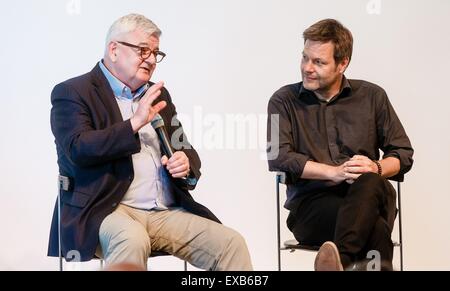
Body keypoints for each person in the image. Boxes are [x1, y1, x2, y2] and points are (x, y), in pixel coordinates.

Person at [48, 13, 252, 271]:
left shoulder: (158, 94)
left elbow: (183, 145)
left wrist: (184, 163)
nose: (152, 60)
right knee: (131, 239)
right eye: (144, 51)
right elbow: (78, 148)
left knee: (231, 244)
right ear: (114, 50)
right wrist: (134, 123)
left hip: (164, 211)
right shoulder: (73, 92)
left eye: (156, 53)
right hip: (107, 211)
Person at [267, 19, 413, 271]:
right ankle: (343, 260)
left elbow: (403, 153)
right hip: (314, 209)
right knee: (376, 228)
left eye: (319, 62)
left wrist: (375, 168)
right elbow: (277, 156)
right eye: (305, 58)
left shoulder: (373, 96)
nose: (307, 68)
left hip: (374, 195)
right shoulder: (282, 101)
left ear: (342, 63)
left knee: (369, 181)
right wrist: (334, 172)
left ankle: (339, 260)